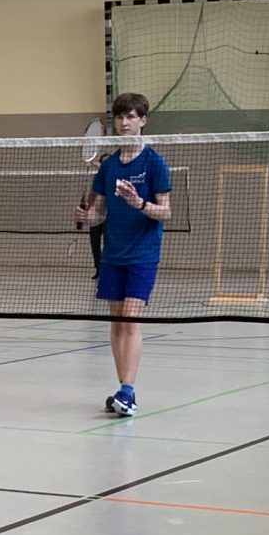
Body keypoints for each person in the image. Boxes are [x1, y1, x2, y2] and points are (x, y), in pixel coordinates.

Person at [78, 93, 172, 417]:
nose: (124, 122)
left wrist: (140, 204)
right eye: (119, 117)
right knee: (117, 325)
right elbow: (98, 214)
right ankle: (123, 389)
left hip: (143, 254)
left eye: (131, 116)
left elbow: (166, 212)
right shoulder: (108, 167)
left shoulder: (155, 163)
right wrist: (85, 217)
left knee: (131, 321)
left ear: (143, 120)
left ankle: (129, 391)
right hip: (112, 255)